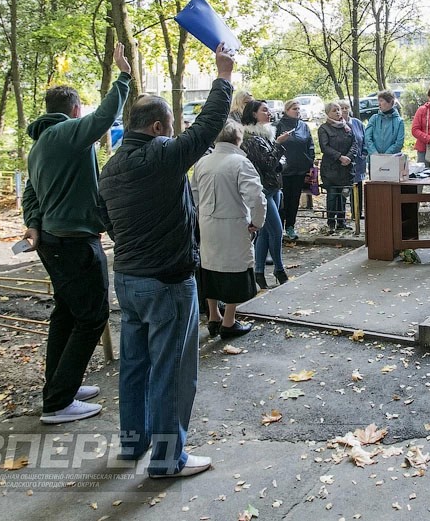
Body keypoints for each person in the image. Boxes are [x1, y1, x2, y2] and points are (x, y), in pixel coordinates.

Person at [98, 44, 233, 479]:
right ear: (158, 127)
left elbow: (105, 217)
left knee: (135, 366)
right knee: (172, 370)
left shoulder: (112, 166)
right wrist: (223, 75)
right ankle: (167, 459)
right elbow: (209, 127)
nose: (175, 133)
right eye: (170, 126)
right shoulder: (161, 155)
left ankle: (133, 444)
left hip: (128, 279)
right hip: (168, 282)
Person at [20, 43, 131, 425]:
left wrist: (31, 221)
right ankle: (59, 402)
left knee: (66, 314)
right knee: (92, 315)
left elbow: (30, 193)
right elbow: (105, 118)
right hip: (73, 241)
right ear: (74, 110)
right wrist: (124, 75)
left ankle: (60, 385)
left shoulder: (39, 146)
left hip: (53, 239)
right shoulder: (67, 134)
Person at [192, 121, 265, 338]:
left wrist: (201, 214)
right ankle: (229, 321)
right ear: (238, 139)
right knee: (235, 270)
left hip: (207, 223)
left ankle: (213, 316)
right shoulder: (240, 162)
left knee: (210, 268)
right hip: (233, 224)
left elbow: (194, 193)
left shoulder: (202, 162)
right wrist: (257, 222)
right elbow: (256, 197)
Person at [242, 100, 289, 289]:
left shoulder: (267, 134)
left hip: (274, 187)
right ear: (254, 114)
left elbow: (279, 162)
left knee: (266, 233)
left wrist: (278, 152)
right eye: (264, 110)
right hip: (263, 190)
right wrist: (278, 145)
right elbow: (267, 163)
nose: (269, 113)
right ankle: (279, 270)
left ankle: (259, 273)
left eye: (268, 110)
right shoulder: (250, 137)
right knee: (276, 231)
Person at [276, 99, 314, 241]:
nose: (297, 111)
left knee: (294, 199)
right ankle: (279, 227)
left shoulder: (303, 126)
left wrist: (309, 161)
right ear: (286, 111)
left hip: (300, 168)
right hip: (284, 170)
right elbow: (275, 145)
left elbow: (310, 144)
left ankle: (291, 226)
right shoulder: (279, 125)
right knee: (283, 200)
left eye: (298, 109)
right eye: (294, 109)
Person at [318, 101, 358, 232]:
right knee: (332, 195)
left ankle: (342, 222)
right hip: (331, 168)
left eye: (339, 109)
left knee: (343, 195)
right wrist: (340, 157)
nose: (338, 112)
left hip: (346, 168)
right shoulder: (324, 128)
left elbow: (355, 144)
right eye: (334, 110)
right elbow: (325, 147)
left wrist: (349, 157)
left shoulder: (348, 126)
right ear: (328, 113)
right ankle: (331, 222)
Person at [341, 99, 367, 218]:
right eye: (342, 108)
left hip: (359, 161)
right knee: (345, 189)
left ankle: (357, 213)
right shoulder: (337, 125)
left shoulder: (357, 123)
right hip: (344, 162)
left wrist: (364, 152)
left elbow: (364, 138)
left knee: (358, 187)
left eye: (346, 107)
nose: (344, 110)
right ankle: (342, 217)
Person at [364, 90, 404, 156]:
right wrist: (374, 153)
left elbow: (399, 142)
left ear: (390, 102)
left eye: (381, 101)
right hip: (374, 158)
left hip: (391, 158)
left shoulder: (399, 121)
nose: (379, 104)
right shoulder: (374, 118)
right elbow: (367, 138)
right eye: (378, 101)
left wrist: (386, 155)